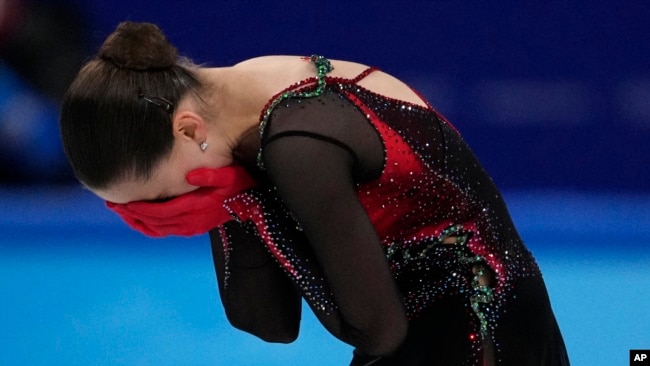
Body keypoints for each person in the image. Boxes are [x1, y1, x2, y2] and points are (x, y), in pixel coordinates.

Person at [59, 22, 570, 365]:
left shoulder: (298, 142)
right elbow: (268, 323)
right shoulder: (228, 116)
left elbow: (376, 330)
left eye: (160, 199)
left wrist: (244, 202)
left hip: (484, 333)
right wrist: (233, 205)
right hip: (442, 326)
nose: (161, 218)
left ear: (188, 132)